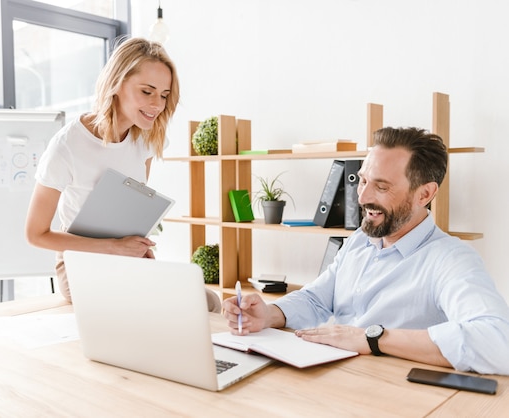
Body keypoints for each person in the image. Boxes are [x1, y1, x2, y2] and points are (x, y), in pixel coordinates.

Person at [223, 126, 509, 375]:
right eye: (361, 180)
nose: (362, 197)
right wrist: (269, 314)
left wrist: (373, 339)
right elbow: (318, 300)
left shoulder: (450, 259)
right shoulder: (362, 239)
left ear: (425, 194)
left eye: (381, 187)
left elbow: (498, 342)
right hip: (335, 379)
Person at [25, 37, 179, 303]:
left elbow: (130, 208)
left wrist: (135, 246)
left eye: (164, 95)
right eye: (147, 91)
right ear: (117, 83)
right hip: (79, 264)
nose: (157, 105)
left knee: (203, 301)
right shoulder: (67, 147)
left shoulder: (145, 137)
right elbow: (36, 234)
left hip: (122, 258)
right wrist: (114, 248)